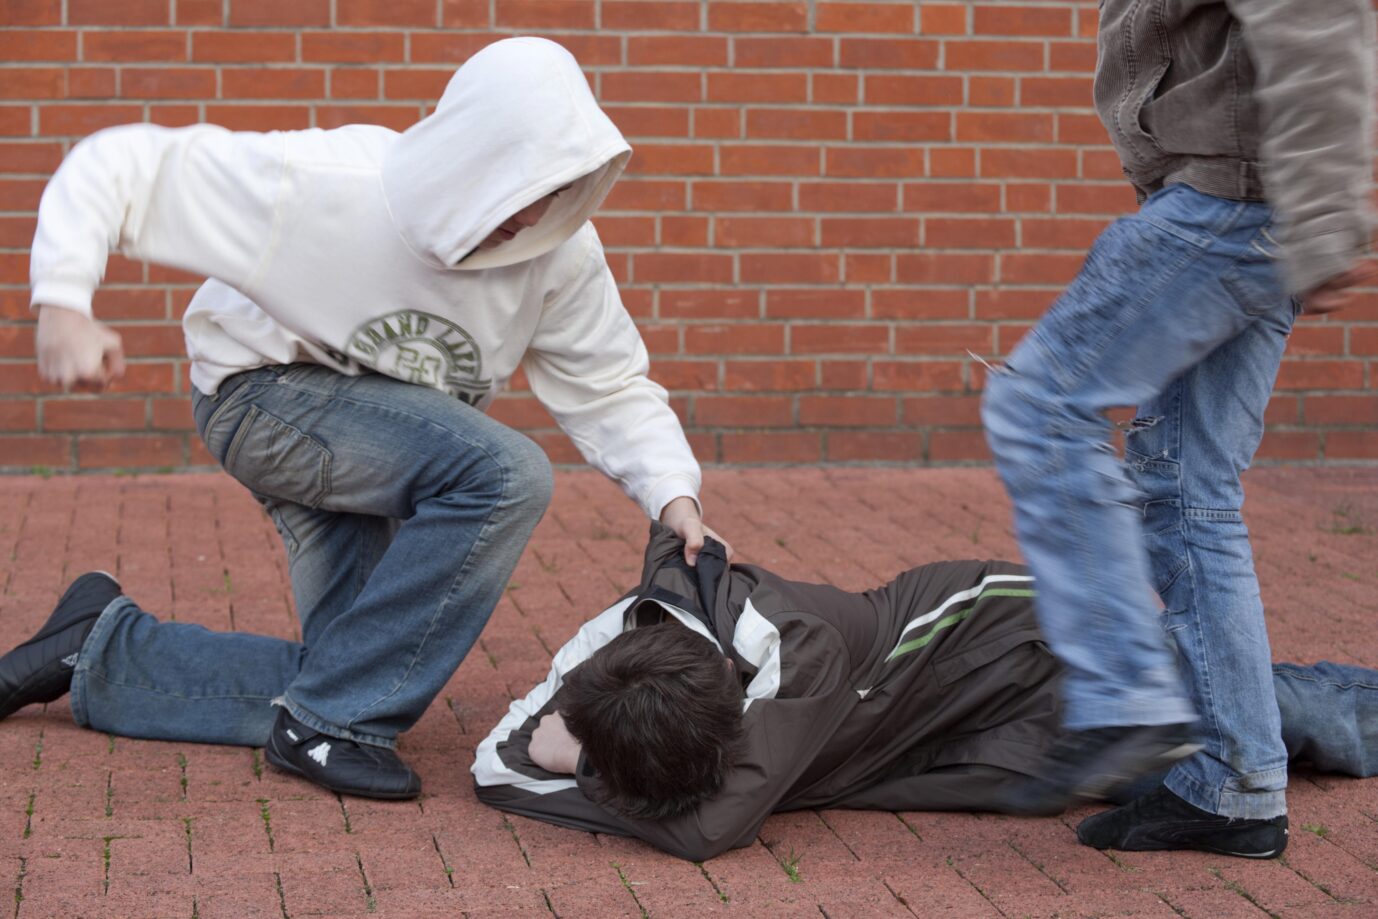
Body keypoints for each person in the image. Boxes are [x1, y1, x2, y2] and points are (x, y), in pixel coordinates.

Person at [11, 37, 727, 801]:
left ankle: (99, 645)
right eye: (518, 185)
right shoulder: (326, 183)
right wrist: (62, 300)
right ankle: (328, 726)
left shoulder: (559, 254)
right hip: (261, 396)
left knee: (353, 664)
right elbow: (121, 168)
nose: (530, 213)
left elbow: (608, 380)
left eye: (553, 189)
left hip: (380, 440)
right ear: (468, 155)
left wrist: (671, 492)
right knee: (506, 474)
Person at [977, 0, 1377, 847]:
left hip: (1227, 203)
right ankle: (1235, 783)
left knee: (1037, 405)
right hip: (1242, 204)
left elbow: (1315, 19)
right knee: (1190, 491)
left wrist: (1327, 214)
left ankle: (1121, 696)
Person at [472, 526, 1377, 861]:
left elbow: (711, 826)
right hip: (942, 743)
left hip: (1013, 641)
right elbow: (489, 767)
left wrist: (582, 766)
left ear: (734, 704)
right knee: (1165, 780)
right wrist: (598, 753)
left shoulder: (795, 653)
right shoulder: (604, 664)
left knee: (1281, 719)